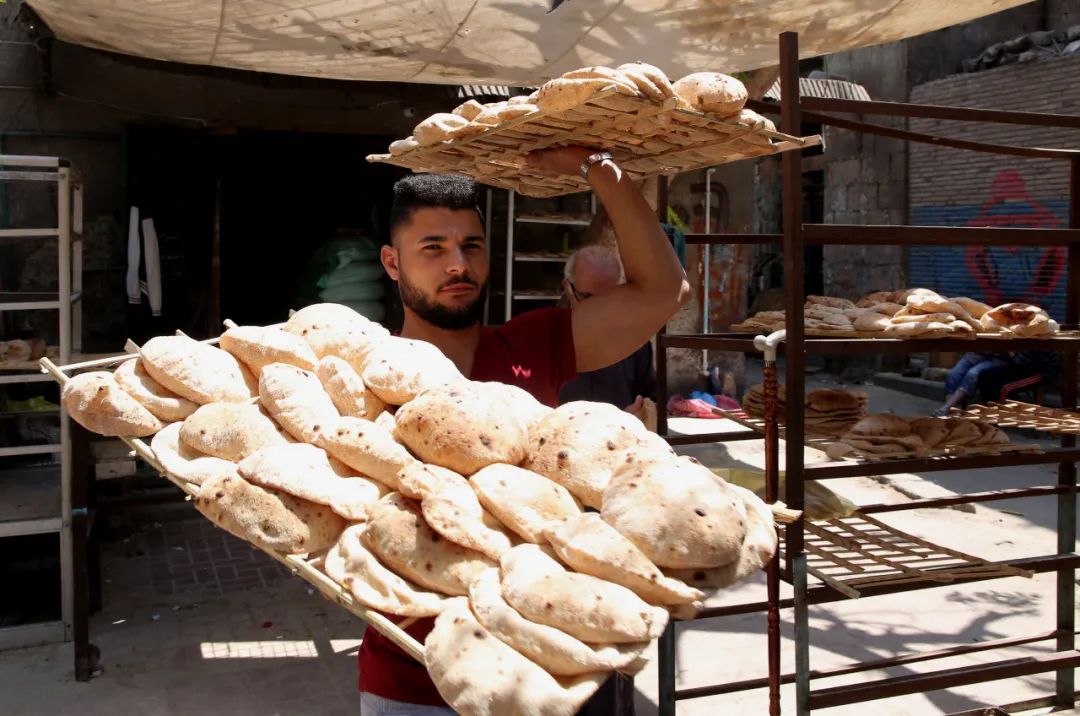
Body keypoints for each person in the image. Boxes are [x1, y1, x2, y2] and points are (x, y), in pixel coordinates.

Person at [361, 146, 690, 715]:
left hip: (548, 669)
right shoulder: (357, 376)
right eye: (432, 249)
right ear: (392, 263)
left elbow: (664, 292)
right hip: (413, 678)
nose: (456, 265)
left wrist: (601, 172)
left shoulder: (530, 346)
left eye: (471, 246)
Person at [557, 245, 657, 413]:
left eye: (608, 299)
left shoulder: (634, 341)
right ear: (568, 288)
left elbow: (650, 401)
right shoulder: (542, 338)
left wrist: (637, 415)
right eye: (588, 297)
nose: (599, 309)